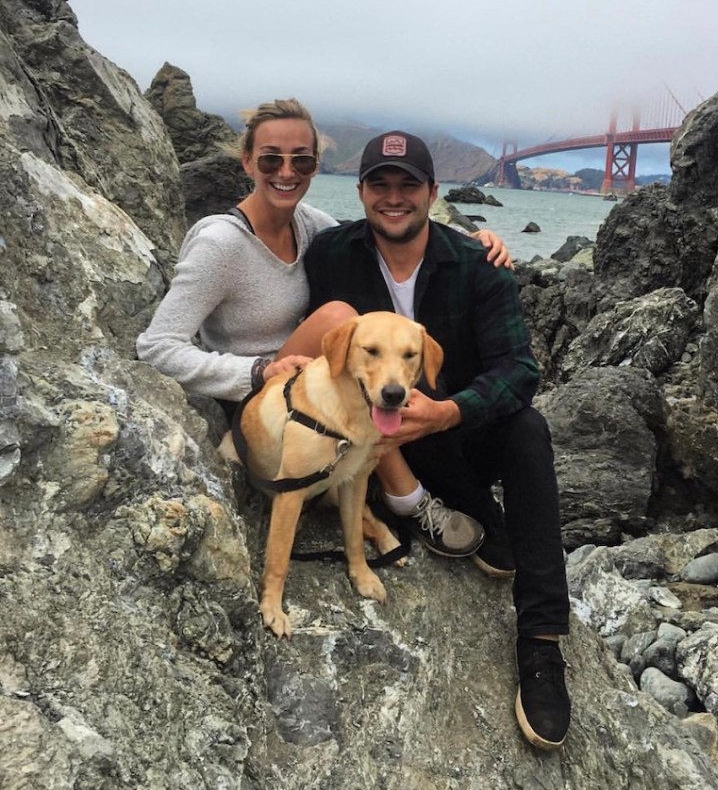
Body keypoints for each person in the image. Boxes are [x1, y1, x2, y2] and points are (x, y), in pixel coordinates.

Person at [137, 99, 512, 558]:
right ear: (247, 162)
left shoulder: (310, 224)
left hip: (310, 393)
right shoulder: (220, 245)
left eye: (302, 161)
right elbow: (156, 347)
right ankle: (406, 495)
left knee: (369, 341)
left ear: (315, 166)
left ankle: (375, 495)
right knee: (341, 319)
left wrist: (469, 242)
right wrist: (255, 372)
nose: (286, 172)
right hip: (260, 407)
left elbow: (384, 235)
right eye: (271, 160)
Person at [303, 130, 571, 751]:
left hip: (459, 429)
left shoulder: (478, 264)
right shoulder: (331, 254)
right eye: (380, 184)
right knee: (387, 415)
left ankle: (541, 642)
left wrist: (450, 411)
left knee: (528, 430)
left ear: (432, 191)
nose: (393, 198)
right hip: (384, 443)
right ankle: (471, 519)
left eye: (408, 185)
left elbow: (520, 371)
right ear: (360, 190)